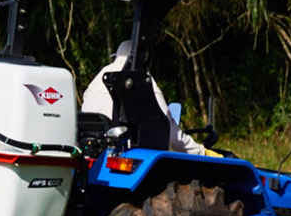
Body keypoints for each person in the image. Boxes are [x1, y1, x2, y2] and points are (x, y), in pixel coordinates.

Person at [81, 40, 211, 155]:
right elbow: (171, 134)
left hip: (92, 151)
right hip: (126, 154)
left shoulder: (95, 82)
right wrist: (201, 152)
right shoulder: (141, 82)